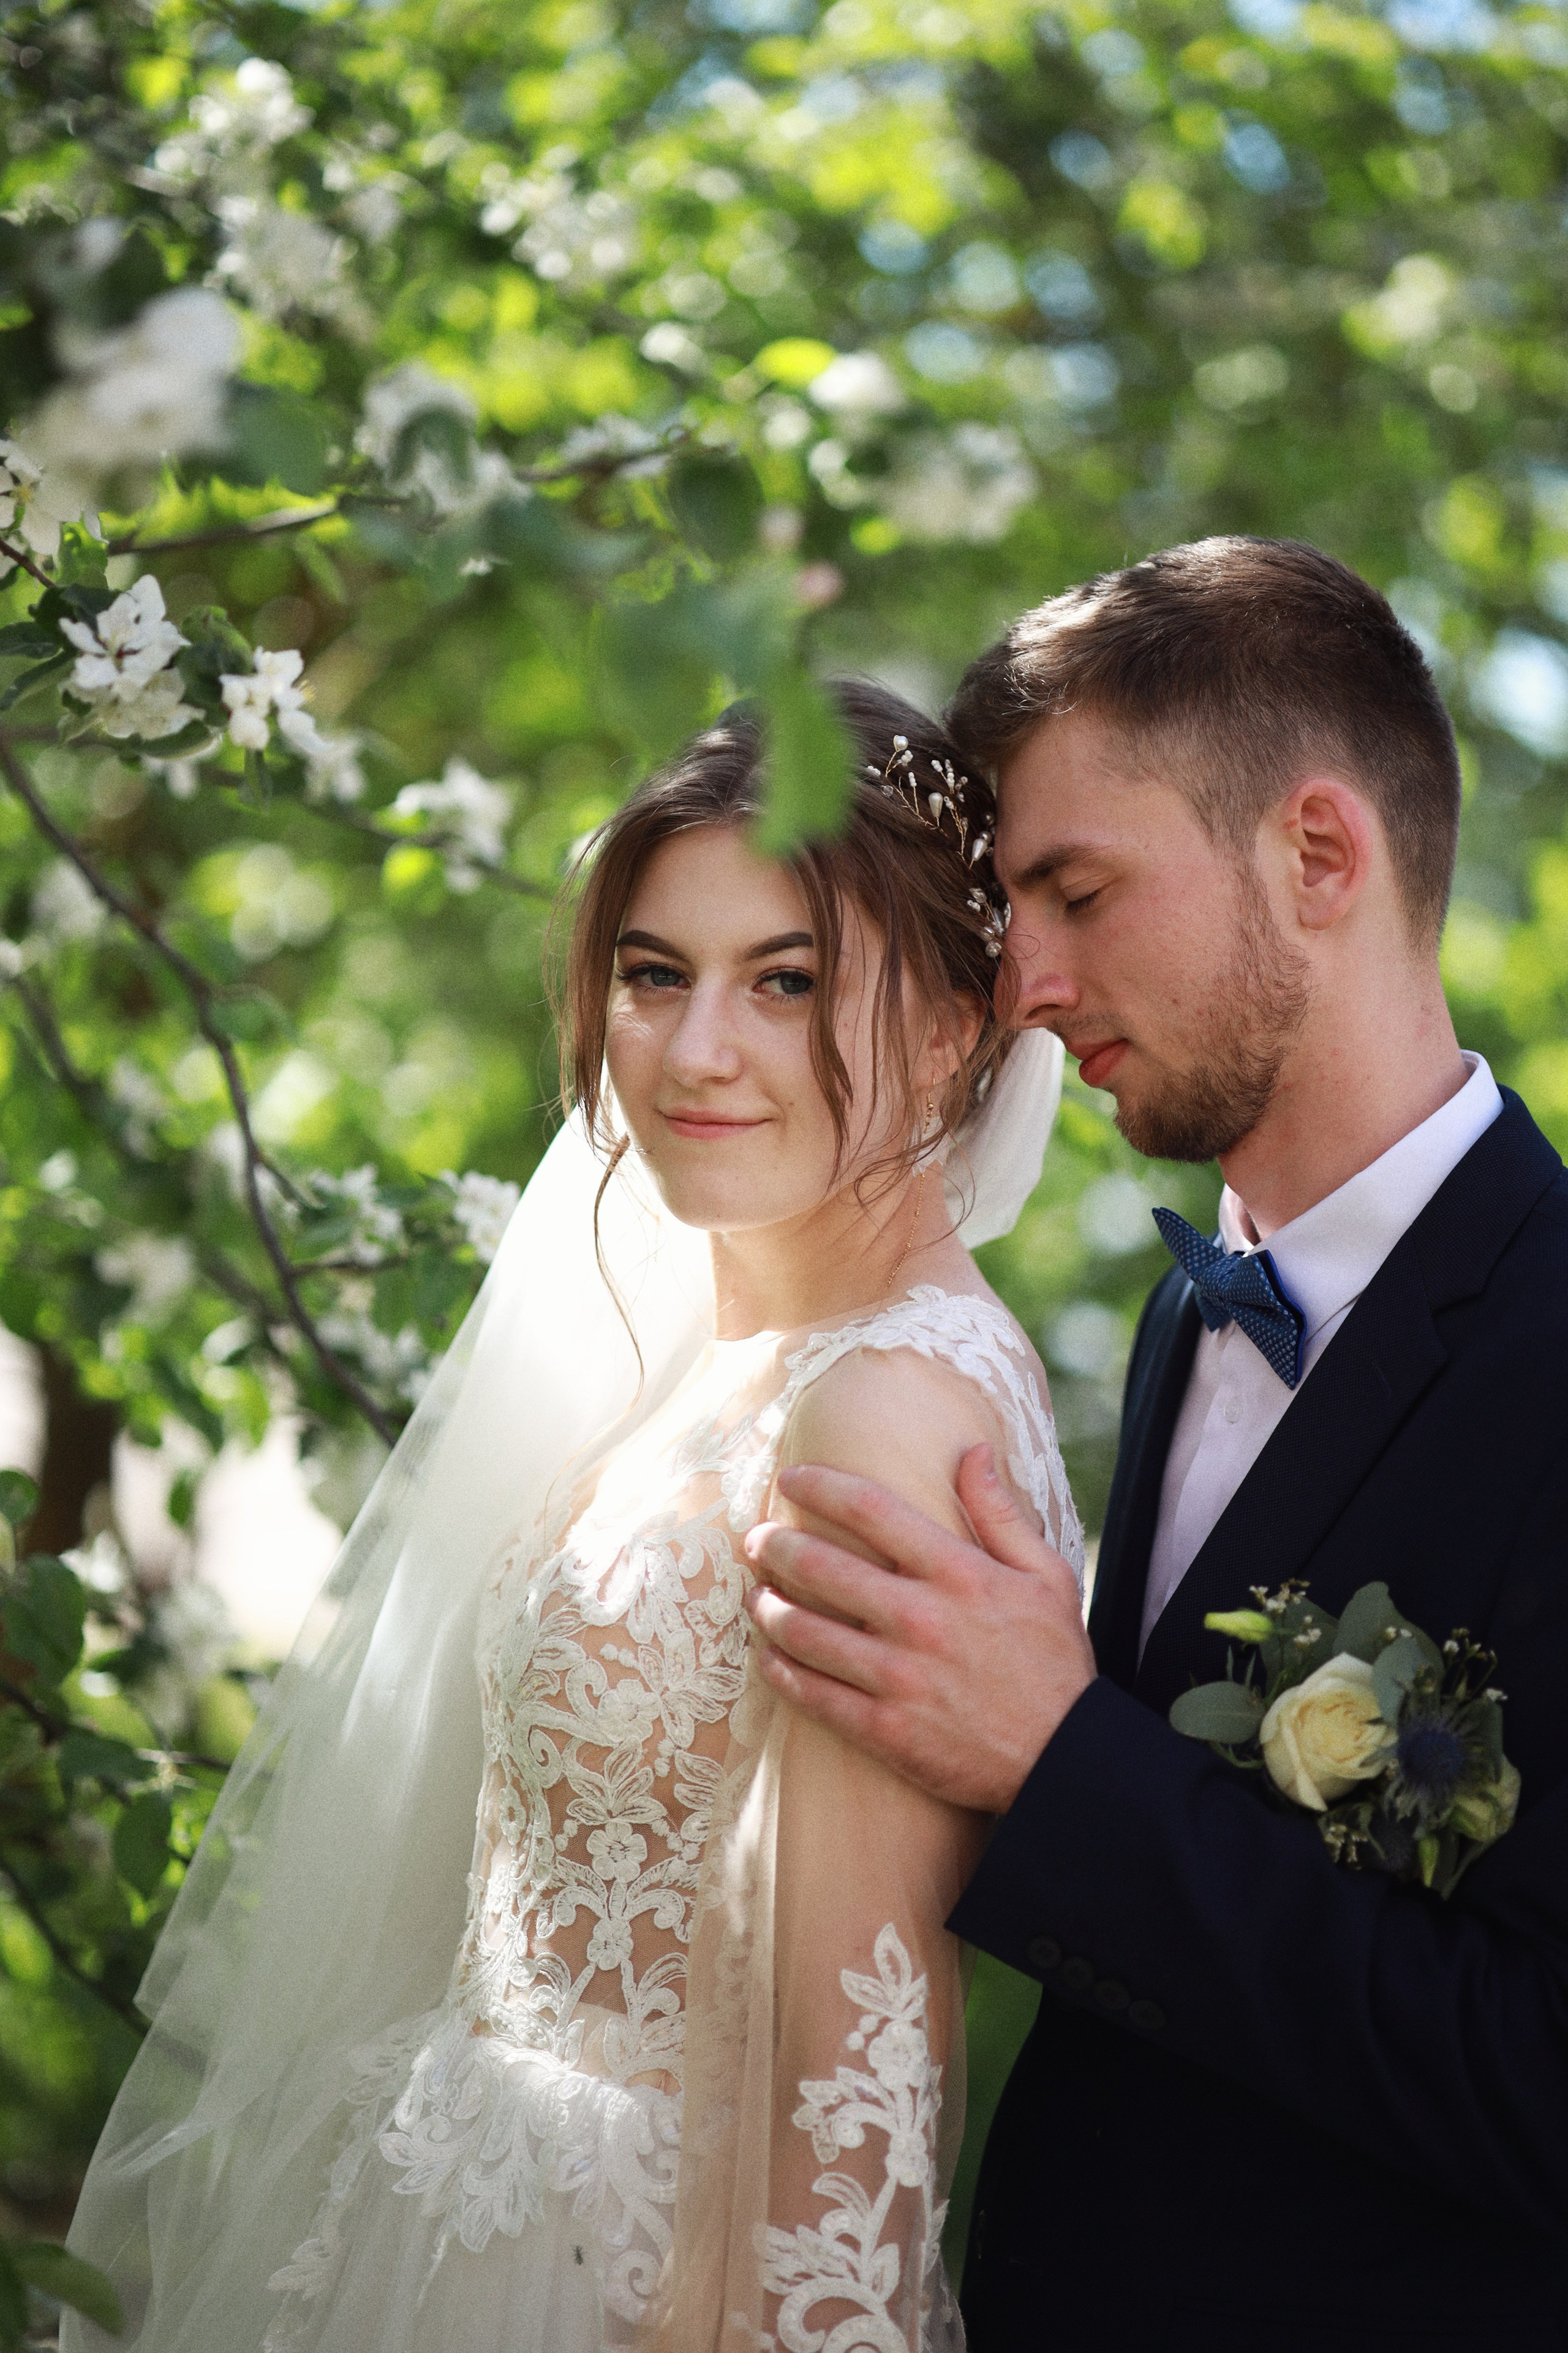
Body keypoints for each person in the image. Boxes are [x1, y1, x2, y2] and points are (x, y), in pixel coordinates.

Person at [63, 681, 1077, 2353]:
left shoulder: (885, 1415)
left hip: (628, 2300)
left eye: (790, 982)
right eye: (654, 973)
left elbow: (853, 2097)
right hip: (451, 2230)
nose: (694, 1052)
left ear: (964, 1024)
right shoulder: (724, 1347)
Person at [747, 539, 1568, 2351]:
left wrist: (1064, 1758)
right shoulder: (1194, 1307)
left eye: (1077, 892)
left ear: (1321, 856)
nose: (1023, 984)